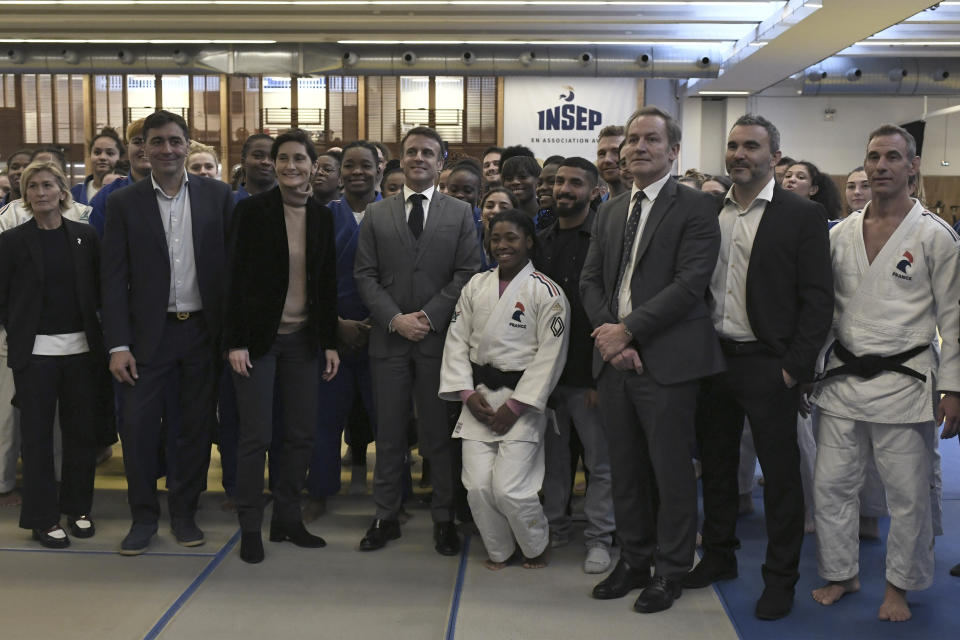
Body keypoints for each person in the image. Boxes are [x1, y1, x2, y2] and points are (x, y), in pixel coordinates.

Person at [809, 123, 960, 622]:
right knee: (832, 485)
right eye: (873, 157)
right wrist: (811, 368)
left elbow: (954, 319)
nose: (880, 166)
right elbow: (824, 310)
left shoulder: (937, 236)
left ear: (913, 166)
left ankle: (900, 584)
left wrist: (954, 388)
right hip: (842, 378)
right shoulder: (841, 233)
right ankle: (841, 571)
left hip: (905, 380)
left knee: (907, 493)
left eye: (893, 157)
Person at [684, 114, 833, 620]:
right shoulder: (707, 212)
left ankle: (780, 578)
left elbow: (818, 300)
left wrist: (794, 368)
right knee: (720, 470)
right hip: (714, 359)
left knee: (783, 477)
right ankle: (721, 557)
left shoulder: (800, 215)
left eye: (751, 146)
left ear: (774, 155)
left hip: (770, 365)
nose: (739, 155)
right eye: (733, 146)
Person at [580, 106, 723, 614]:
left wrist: (629, 332)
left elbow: (690, 285)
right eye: (632, 140)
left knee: (670, 471)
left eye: (651, 140)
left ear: (673, 150)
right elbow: (591, 280)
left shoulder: (696, 209)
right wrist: (609, 339)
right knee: (625, 469)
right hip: (616, 362)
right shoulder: (611, 209)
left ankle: (670, 569)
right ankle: (634, 560)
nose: (638, 147)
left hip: (668, 362)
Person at [101, 110, 234, 555]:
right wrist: (118, 344)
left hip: (201, 334)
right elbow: (113, 279)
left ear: (188, 144)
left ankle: (183, 512)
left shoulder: (219, 197)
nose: (166, 150)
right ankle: (143, 518)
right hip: (144, 340)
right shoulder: (124, 203)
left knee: (193, 430)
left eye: (175, 141)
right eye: (155, 142)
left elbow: (231, 274)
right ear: (142, 148)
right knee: (137, 430)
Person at [354, 125, 481, 555]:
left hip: (438, 341)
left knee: (437, 435)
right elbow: (365, 276)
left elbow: (468, 273)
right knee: (388, 433)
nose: (419, 158)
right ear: (400, 159)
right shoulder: (376, 213)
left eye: (428, 152)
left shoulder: (461, 214)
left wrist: (427, 317)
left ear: (441, 162)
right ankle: (385, 515)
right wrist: (395, 319)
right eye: (411, 152)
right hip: (389, 342)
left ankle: (444, 517)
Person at [225, 129, 340, 564]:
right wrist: (235, 341)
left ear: (314, 165)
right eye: (284, 158)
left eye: (300, 159)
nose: (292, 166)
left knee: (300, 435)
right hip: (257, 343)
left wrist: (329, 342)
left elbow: (325, 286)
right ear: (273, 164)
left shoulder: (323, 217)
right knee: (255, 436)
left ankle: (288, 519)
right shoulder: (252, 212)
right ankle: (251, 526)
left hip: (304, 341)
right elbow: (232, 281)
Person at [439, 210, 569, 569]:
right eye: (496, 238)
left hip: (521, 403)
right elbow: (455, 341)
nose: (502, 245)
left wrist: (517, 406)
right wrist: (465, 392)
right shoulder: (475, 285)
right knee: (479, 487)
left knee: (510, 488)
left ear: (529, 241)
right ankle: (500, 550)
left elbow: (551, 355)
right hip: (478, 398)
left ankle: (535, 544)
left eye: (511, 238)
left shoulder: (547, 291)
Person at [0, 160, 104, 548]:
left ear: (63, 191)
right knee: (38, 438)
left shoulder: (85, 236)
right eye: (32, 187)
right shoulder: (11, 241)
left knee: (80, 436)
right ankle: (43, 517)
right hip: (34, 355)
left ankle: (78, 509)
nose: (40, 192)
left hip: (81, 351)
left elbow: (97, 289)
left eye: (48, 185)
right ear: (24, 195)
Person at [536, 157, 616, 574]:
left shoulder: (605, 240)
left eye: (575, 183)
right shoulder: (541, 240)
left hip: (591, 375)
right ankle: (555, 526)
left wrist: (600, 376)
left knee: (600, 463)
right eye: (559, 182)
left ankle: (600, 537)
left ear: (594, 190)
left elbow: (608, 310)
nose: (564, 189)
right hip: (548, 377)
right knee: (554, 461)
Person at [305, 140, 380, 512]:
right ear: (338, 173)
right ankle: (319, 490)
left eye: (365, 165)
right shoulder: (319, 216)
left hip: (382, 331)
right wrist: (335, 325)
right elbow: (307, 279)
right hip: (332, 334)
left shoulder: (394, 215)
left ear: (379, 170)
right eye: (349, 165)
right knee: (324, 419)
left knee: (387, 420)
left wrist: (377, 322)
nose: (357, 172)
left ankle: (392, 494)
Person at [89, 118, 151, 236]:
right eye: (137, 142)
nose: (144, 148)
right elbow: (91, 242)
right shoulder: (106, 196)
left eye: (152, 142)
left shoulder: (174, 193)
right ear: (128, 148)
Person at [71, 128, 124, 205]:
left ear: (120, 157)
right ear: (90, 155)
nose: (102, 157)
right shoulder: (76, 192)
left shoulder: (128, 188)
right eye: (97, 152)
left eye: (110, 153)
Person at [501, 154, 541, 220]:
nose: (515, 182)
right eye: (509, 178)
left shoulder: (551, 217)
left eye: (523, 177)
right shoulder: (499, 218)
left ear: (538, 180)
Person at [596, 125, 626, 199]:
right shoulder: (598, 207)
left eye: (616, 152)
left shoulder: (643, 205)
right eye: (602, 154)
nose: (607, 160)